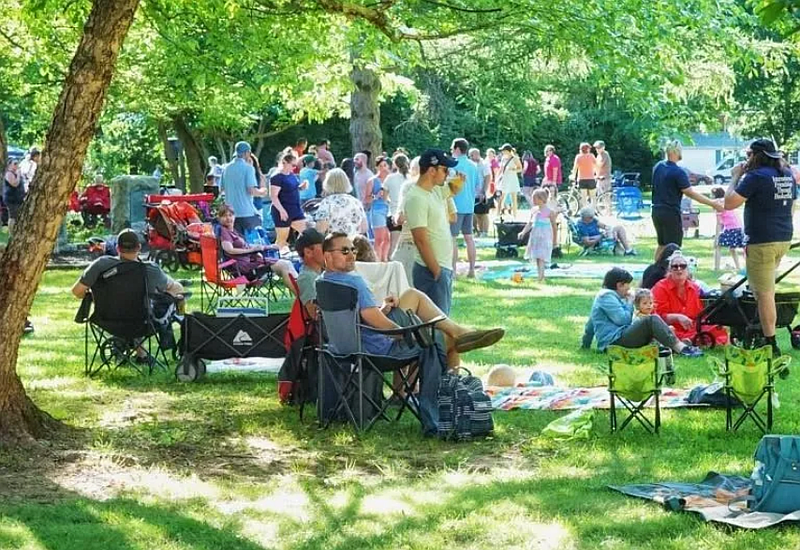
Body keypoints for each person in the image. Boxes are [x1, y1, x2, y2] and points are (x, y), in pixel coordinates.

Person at [321, 232, 505, 368]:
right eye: (344, 251)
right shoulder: (355, 282)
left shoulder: (323, 282)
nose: (351, 255)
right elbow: (376, 321)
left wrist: (383, 309)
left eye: (352, 249)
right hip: (377, 349)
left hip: (348, 346)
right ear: (327, 255)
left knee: (411, 295)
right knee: (442, 340)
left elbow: (359, 318)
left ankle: (460, 332)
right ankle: (442, 397)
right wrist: (406, 333)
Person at [724, 138, 796, 356]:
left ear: (756, 156)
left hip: (762, 241)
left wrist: (735, 176)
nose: (746, 159)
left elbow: (729, 203)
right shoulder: (786, 174)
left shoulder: (755, 177)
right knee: (762, 289)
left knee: (764, 294)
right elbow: (792, 205)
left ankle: (770, 344)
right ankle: (761, 332)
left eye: (748, 155)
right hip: (783, 238)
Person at [71, 229, 186, 358]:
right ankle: (145, 354)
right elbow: (177, 289)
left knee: (129, 306)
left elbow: (77, 291)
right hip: (142, 323)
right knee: (153, 304)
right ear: (139, 247)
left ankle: (135, 351)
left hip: (106, 320)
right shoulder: (150, 269)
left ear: (117, 248)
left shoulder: (100, 265)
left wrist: (95, 296)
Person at [581, 267, 703, 357]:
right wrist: (630, 302)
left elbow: (591, 322)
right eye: (627, 286)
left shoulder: (605, 297)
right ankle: (681, 348)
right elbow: (623, 320)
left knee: (650, 323)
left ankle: (669, 347)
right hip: (614, 342)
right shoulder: (607, 297)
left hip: (615, 340)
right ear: (619, 285)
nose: (629, 289)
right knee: (651, 319)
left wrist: (585, 344)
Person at [404, 149, 458, 314]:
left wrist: (461, 179)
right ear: (432, 170)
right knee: (437, 322)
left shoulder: (435, 190)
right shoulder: (416, 198)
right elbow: (420, 240)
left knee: (443, 319)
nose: (447, 175)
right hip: (430, 269)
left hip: (442, 267)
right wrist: (436, 271)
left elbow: (453, 189)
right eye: (445, 170)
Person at [651, 140, 722, 260]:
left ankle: (655, 269)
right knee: (674, 247)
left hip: (656, 211)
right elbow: (690, 193)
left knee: (662, 244)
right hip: (670, 212)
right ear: (677, 152)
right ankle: (672, 269)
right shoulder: (678, 172)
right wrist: (712, 203)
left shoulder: (658, 167)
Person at [651, 252, 728, 346]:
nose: (679, 269)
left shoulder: (694, 288)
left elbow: (700, 315)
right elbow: (657, 317)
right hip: (671, 328)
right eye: (675, 266)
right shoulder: (660, 287)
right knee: (668, 331)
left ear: (687, 270)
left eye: (683, 266)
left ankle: (690, 340)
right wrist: (677, 317)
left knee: (716, 327)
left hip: (692, 327)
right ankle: (693, 340)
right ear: (669, 270)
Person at [216, 204, 297, 288]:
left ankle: (300, 290)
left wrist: (266, 247)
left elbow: (246, 245)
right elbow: (229, 250)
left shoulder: (232, 231)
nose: (228, 218)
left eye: (230, 215)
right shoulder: (224, 232)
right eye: (224, 216)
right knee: (285, 265)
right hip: (246, 269)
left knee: (286, 265)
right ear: (219, 218)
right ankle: (300, 291)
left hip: (251, 263)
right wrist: (252, 250)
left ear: (234, 216)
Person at [220, 141, 269, 235]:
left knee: (236, 241)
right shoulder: (248, 168)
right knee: (253, 241)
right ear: (247, 153)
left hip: (231, 214)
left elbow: (222, 190)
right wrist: (262, 191)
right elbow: (251, 190)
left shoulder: (226, 169)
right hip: (247, 213)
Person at [450, 138, 481, 278]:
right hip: (469, 205)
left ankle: (453, 271)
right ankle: (472, 270)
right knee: (469, 238)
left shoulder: (453, 164)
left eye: (452, 148)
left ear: (457, 149)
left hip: (455, 206)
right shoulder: (473, 165)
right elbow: (478, 186)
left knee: (452, 238)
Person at [269, 152, 307, 250]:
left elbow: (292, 189)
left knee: (307, 233)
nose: (294, 168)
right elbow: (273, 196)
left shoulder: (291, 175)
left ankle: (302, 251)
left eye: (295, 165)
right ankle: (273, 256)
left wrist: (301, 187)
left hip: (295, 209)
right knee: (281, 240)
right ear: (284, 162)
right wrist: (281, 211)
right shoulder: (276, 177)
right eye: (292, 165)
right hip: (283, 210)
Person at [518, 189, 557, 282]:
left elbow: (554, 227)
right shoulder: (534, 210)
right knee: (537, 256)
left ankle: (541, 276)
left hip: (544, 236)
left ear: (541, 199)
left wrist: (555, 240)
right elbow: (530, 223)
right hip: (535, 236)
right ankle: (540, 275)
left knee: (541, 256)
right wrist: (523, 232)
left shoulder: (549, 212)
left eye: (534, 198)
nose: (533, 200)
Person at [314, 168, 368, 237]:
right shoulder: (356, 202)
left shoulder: (327, 202)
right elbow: (364, 228)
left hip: (334, 241)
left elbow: (321, 228)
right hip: (352, 241)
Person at [294, 228, 325, 320]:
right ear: (308, 252)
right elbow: (315, 315)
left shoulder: (322, 272)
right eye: (324, 247)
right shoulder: (307, 278)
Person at [711, 186, 744, 271]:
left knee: (718, 246)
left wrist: (717, 237)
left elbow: (719, 223)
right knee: (732, 248)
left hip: (731, 228)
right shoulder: (725, 201)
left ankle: (716, 267)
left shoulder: (718, 204)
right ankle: (738, 267)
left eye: (712, 195)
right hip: (738, 226)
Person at [384, 154, 409, 257]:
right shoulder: (411, 178)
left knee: (393, 244)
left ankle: (391, 263)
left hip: (393, 213)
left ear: (395, 164)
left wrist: (392, 202)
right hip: (408, 215)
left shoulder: (390, 178)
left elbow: (385, 197)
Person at [368, 156, 391, 261]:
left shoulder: (391, 179)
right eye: (380, 166)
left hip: (389, 210)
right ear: (377, 167)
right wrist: (375, 196)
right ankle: (377, 260)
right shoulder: (372, 181)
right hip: (377, 210)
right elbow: (366, 199)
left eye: (385, 165)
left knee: (388, 238)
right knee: (379, 239)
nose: (383, 168)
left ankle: (384, 259)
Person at [469, 148, 493, 236]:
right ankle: (478, 231)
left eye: (473, 155)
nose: (471, 157)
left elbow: (488, 177)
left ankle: (484, 231)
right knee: (474, 213)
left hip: (483, 193)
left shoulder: (484, 164)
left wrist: (483, 192)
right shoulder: (470, 164)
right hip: (473, 193)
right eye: (470, 155)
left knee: (483, 213)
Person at [497, 144, 521, 219]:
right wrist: (497, 178)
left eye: (503, 150)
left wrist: (513, 169)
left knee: (514, 198)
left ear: (507, 151)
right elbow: (501, 169)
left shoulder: (515, 158)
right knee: (502, 197)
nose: (502, 152)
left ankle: (515, 216)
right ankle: (499, 214)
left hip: (512, 179)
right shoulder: (503, 159)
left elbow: (520, 169)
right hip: (505, 178)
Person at [3, 157, 23, 235]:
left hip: (18, 199)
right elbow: (15, 184)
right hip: (11, 199)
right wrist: (18, 175)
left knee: (17, 216)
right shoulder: (9, 174)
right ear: (9, 165)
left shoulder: (16, 173)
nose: (16, 165)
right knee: (13, 216)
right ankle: (11, 234)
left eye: (17, 163)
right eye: (15, 164)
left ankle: (16, 232)